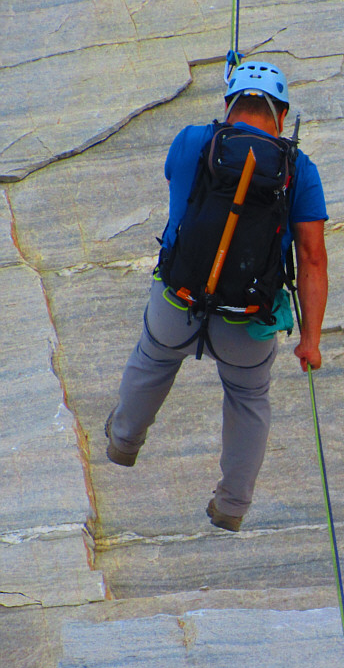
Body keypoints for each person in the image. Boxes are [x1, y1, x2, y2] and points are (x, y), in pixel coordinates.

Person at [105, 61, 328, 532]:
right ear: (283, 116)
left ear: (228, 105)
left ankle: (123, 442)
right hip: (247, 323)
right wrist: (310, 340)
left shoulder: (192, 141)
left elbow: (176, 183)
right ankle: (231, 505)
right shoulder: (299, 169)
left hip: (177, 303)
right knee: (249, 398)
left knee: (153, 359)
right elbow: (312, 258)